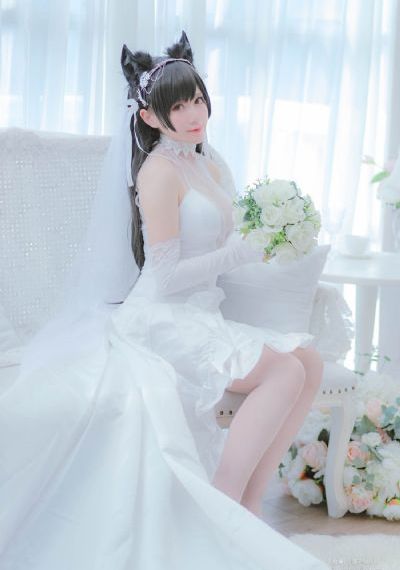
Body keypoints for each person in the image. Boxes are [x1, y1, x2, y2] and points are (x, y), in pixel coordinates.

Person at [0, 31, 329, 570]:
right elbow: (167, 275)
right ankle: (224, 506)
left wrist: (269, 239)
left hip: (200, 312)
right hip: (161, 317)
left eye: (197, 98)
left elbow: (220, 251)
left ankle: (249, 509)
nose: (194, 113)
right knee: (285, 371)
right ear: (151, 117)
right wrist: (236, 253)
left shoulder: (208, 165)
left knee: (309, 363)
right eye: (177, 106)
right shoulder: (157, 172)